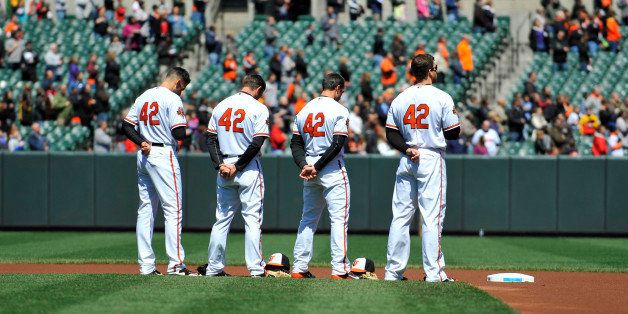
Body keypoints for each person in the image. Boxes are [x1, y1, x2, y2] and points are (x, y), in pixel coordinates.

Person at [383, 54, 459, 282]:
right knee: (431, 216)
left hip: (408, 157)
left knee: (401, 216)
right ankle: (434, 273)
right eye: (435, 68)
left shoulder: (400, 98)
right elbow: (453, 132)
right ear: (430, 71)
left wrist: (407, 149)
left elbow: (390, 133)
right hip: (430, 156)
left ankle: (393, 272)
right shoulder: (441, 97)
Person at [122, 67, 194, 276]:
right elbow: (179, 133)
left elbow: (126, 126)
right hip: (163, 154)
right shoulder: (172, 99)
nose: (182, 92)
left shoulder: (144, 96)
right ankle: (176, 265)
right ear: (178, 83)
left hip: (144, 155)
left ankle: (146, 266)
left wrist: (141, 141)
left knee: (146, 210)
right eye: (183, 88)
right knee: (173, 210)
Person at [198, 74, 269, 277]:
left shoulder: (222, 105)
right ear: (258, 90)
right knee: (252, 220)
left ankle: (213, 267)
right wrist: (238, 166)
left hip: (225, 165)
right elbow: (257, 143)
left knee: (221, 220)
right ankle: (255, 269)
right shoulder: (258, 107)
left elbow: (210, 138)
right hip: (247, 167)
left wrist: (220, 164)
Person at [289, 73, 350, 279]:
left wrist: (306, 165)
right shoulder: (339, 109)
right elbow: (337, 143)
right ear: (338, 88)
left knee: (308, 218)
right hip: (331, 168)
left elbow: (295, 143)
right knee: (338, 219)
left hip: (309, 168)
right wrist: (317, 166)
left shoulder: (304, 109)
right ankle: (339, 270)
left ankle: (299, 267)